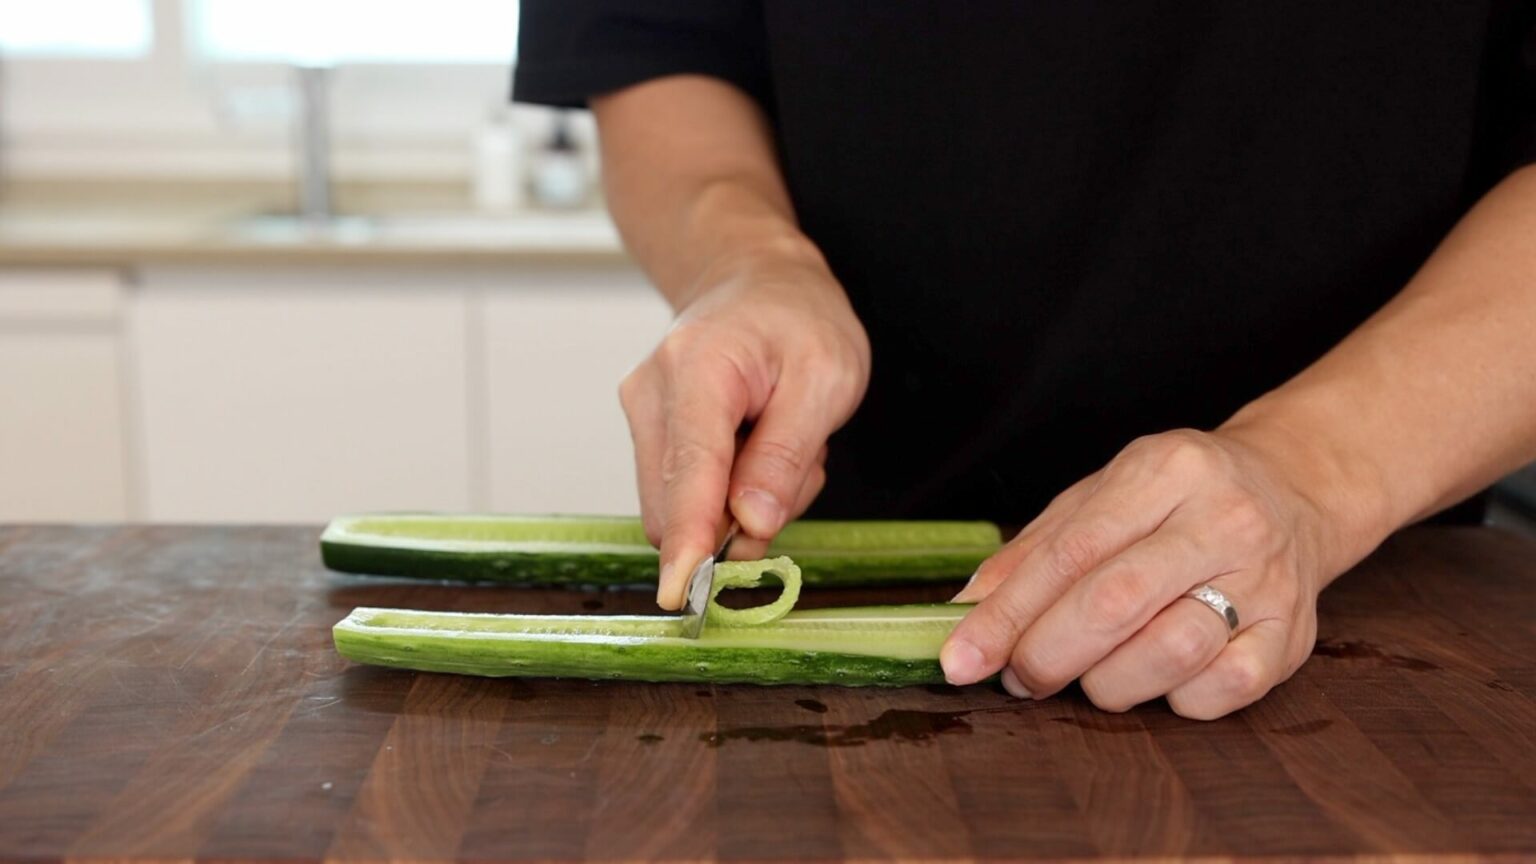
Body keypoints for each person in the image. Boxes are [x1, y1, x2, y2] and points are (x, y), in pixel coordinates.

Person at [513, 3, 1536, 718]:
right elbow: (654, 48)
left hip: (1384, 594)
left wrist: (1315, 477)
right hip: (850, 570)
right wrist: (751, 259)